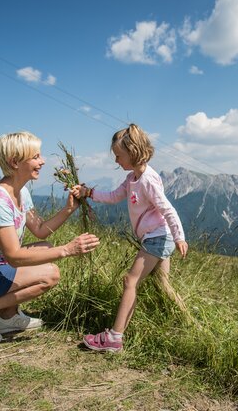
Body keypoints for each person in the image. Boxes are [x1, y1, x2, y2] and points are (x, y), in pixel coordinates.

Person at [0, 131, 100, 347]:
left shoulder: (21, 192)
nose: (42, 161)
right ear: (15, 162)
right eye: (35, 157)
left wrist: (68, 209)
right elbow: (14, 257)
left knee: (44, 247)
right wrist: (68, 249)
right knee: (50, 274)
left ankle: (7, 317)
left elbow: (41, 231)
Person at [72, 123, 188, 352]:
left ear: (133, 152)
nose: (116, 161)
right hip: (155, 237)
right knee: (163, 285)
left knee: (130, 281)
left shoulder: (148, 180)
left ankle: (115, 337)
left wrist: (179, 237)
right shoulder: (133, 178)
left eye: (118, 156)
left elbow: (167, 209)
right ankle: (186, 321)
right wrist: (90, 193)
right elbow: (115, 196)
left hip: (158, 238)